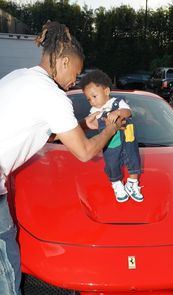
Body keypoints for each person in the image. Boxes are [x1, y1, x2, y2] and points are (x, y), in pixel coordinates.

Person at [0, 21, 123, 295]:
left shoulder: (20, 77)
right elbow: (85, 152)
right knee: (6, 266)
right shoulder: (52, 95)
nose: (74, 82)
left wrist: (81, 125)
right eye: (76, 74)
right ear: (64, 61)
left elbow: (49, 133)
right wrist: (111, 128)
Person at [80, 69, 144, 203]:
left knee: (134, 159)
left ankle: (132, 183)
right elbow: (97, 127)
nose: (92, 101)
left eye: (94, 96)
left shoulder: (117, 102)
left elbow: (128, 112)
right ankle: (116, 183)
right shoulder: (94, 111)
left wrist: (118, 113)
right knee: (111, 163)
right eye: (88, 99)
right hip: (111, 142)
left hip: (128, 138)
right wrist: (92, 124)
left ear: (107, 91)